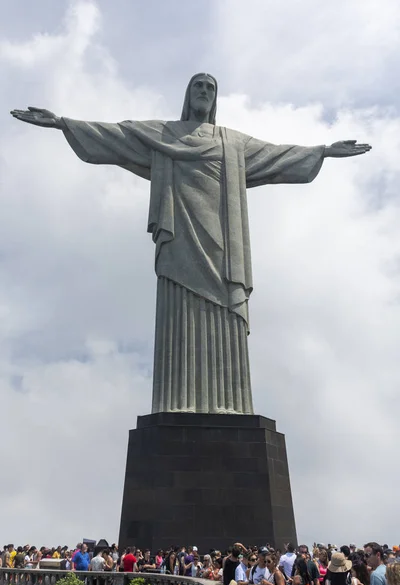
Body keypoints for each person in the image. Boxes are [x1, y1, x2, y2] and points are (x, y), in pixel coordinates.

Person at [11, 76, 371, 416]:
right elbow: (116, 135)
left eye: (209, 87)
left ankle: (230, 403)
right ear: (187, 94)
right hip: (180, 234)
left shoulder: (232, 143)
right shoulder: (163, 133)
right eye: (197, 85)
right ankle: (176, 400)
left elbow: (276, 155)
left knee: (224, 314)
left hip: (222, 243)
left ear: (215, 98)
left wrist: (323, 151)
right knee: (180, 312)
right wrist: (62, 122)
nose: (203, 91)